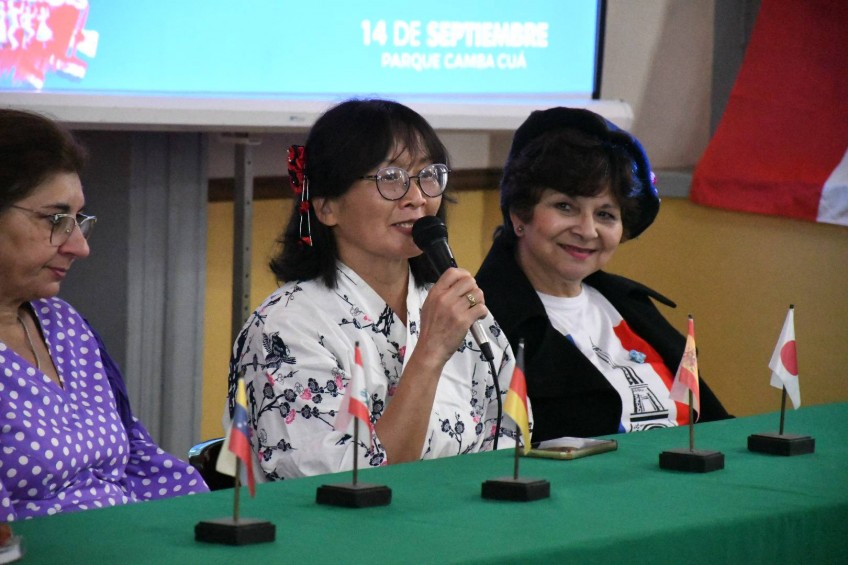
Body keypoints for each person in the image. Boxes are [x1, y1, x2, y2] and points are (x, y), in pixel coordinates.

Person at [226, 98, 518, 480]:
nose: (418, 197)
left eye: (428, 175)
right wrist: (430, 352)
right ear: (327, 206)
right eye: (391, 178)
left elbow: (509, 438)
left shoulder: (450, 303)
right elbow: (345, 486)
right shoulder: (283, 329)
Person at [0, 108, 208, 521]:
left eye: (78, 221)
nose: (79, 246)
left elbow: (138, 460)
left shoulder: (62, 323)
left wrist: (202, 519)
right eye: (55, 219)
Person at [476, 107, 730, 443]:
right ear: (519, 214)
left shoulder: (632, 306)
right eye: (565, 206)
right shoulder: (481, 321)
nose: (587, 230)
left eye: (605, 214)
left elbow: (714, 424)